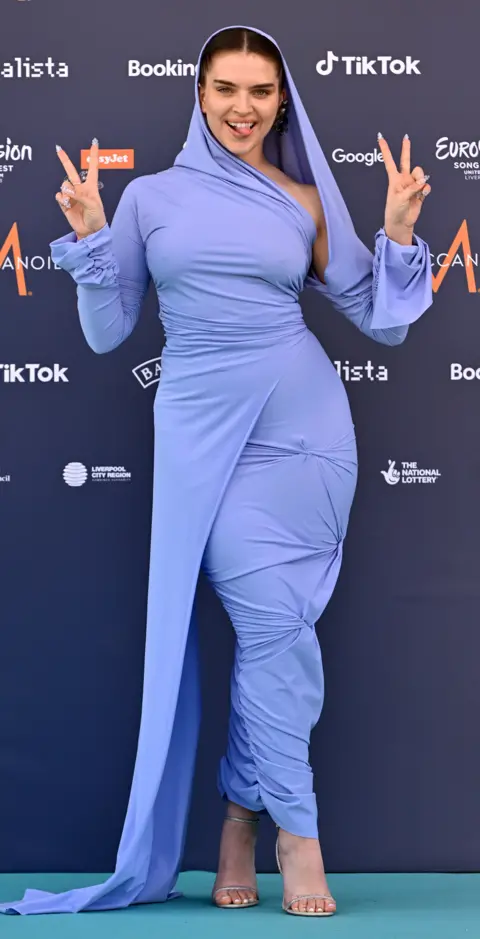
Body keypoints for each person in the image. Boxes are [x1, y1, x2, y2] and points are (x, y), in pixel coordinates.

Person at [0, 24, 433, 919]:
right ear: (199, 95)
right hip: (202, 433)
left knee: (280, 631)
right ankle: (288, 828)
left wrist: (392, 237)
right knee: (272, 627)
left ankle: (253, 822)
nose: (243, 107)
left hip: (305, 429)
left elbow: (379, 320)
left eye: (260, 91)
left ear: (282, 103)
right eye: (226, 88)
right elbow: (108, 331)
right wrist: (88, 240)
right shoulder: (151, 199)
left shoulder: (306, 202)